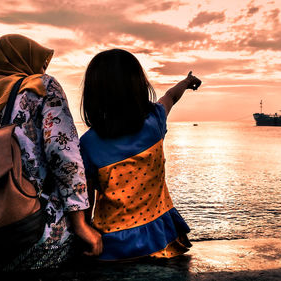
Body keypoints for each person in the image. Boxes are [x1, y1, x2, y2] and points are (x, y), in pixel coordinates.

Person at [0, 34, 102, 271]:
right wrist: (81, 224)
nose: (43, 68)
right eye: (40, 61)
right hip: (37, 232)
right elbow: (63, 155)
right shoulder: (41, 87)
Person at [79, 49, 201, 261]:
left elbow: (85, 204)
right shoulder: (154, 121)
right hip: (160, 238)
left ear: (93, 94)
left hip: (113, 245)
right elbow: (170, 97)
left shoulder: (88, 144)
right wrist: (186, 81)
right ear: (138, 86)